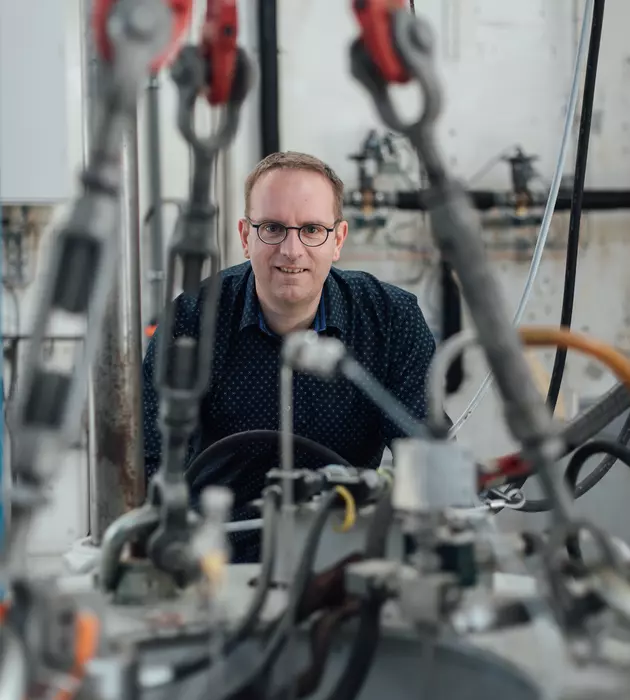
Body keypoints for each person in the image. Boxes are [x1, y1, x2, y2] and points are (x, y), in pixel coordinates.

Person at [142, 151, 437, 562]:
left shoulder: (390, 318)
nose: (291, 250)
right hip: (219, 559)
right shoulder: (194, 319)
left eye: (312, 229)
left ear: (338, 240)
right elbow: (153, 460)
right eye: (273, 228)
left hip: (344, 555)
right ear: (245, 236)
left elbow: (422, 457)